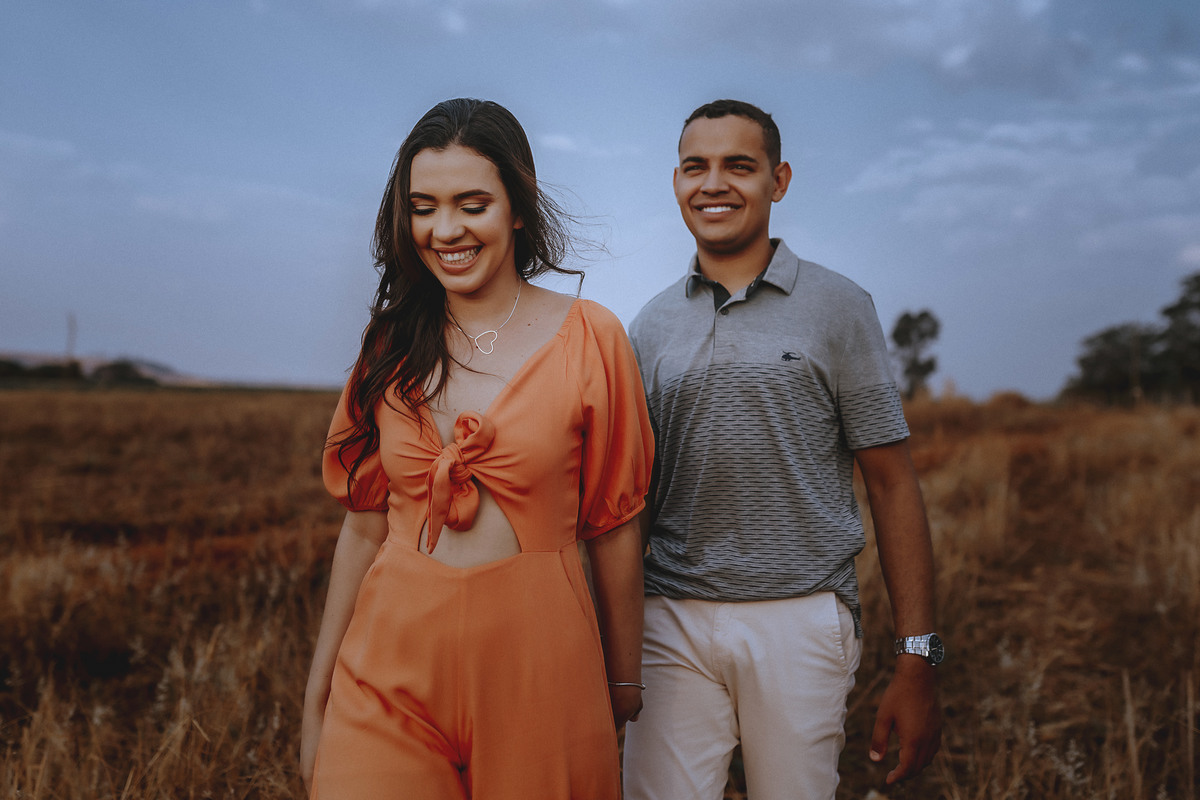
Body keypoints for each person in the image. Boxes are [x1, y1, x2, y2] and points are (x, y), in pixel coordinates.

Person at [299, 98, 653, 800]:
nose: (446, 230)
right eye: (423, 207)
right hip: (387, 670)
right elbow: (364, 527)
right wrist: (319, 693)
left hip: (539, 671)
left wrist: (622, 681)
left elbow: (614, 527)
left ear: (517, 208)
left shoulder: (592, 337)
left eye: (472, 204)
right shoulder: (390, 342)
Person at [621, 99, 943, 800]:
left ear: (779, 180)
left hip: (800, 617)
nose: (714, 184)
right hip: (669, 616)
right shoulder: (649, 325)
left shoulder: (839, 306)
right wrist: (610, 642)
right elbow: (634, 502)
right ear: (675, 182)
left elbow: (892, 483)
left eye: (739, 166)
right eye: (695, 167)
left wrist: (918, 658)